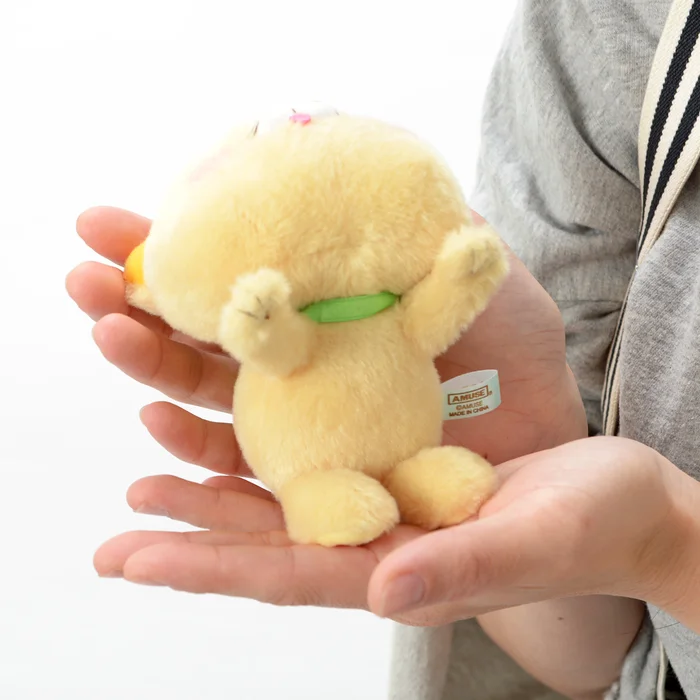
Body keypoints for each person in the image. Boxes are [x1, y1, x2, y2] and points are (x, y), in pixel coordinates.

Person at [66, 0, 700, 698]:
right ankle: (320, 489)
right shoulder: (612, 25)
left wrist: (673, 545)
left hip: (423, 432)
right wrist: (554, 452)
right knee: (422, 486)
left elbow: (426, 324)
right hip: (331, 442)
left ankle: (407, 475)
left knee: (439, 478)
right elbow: (614, 664)